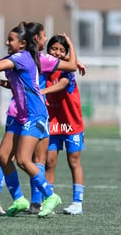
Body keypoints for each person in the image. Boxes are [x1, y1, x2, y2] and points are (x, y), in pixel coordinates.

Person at [0, 23, 61, 218]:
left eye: (10, 40)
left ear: (23, 44)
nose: (6, 42)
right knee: (2, 157)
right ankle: (19, 199)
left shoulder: (22, 58)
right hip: (21, 116)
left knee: (24, 160)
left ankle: (50, 196)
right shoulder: (13, 57)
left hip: (35, 114)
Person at [0, 24, 80, 215]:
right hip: (23, 113)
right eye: (44, 37)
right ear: (36, 38)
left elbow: (67, 70)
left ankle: (36, 202)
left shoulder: (41, 58)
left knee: (30, 158)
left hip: (35, 114)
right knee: (9, 157)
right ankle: (8, 199)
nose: (46, 41)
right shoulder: (30, 57)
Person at [42, 35, 86, 215]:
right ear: (48, 50)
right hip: (53, 124)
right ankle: (48, 201)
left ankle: (77, 203)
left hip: (71, 124)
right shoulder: (45, 67)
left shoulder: (68, 70)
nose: (57, 53)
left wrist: (43, 91)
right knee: (49, 162)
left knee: (73, 161)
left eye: (62, 50)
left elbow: (62, 84)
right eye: (54, 49)